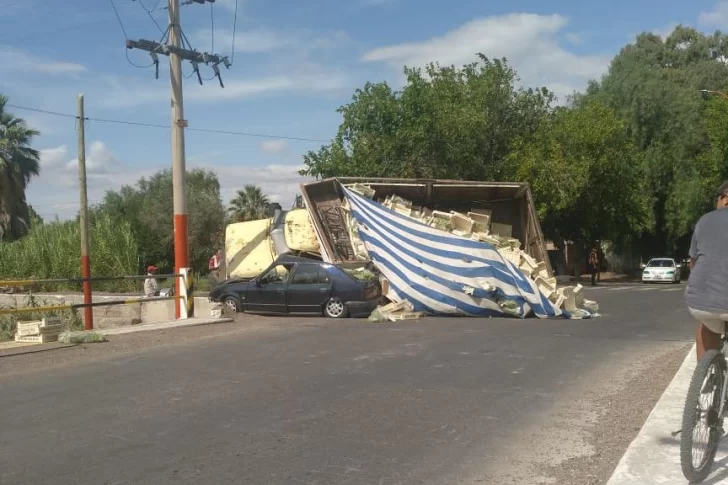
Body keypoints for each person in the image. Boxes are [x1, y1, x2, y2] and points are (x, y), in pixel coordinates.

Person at [686, 181, 728, 362]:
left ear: (724, 197)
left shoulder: (704, 220)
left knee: (706, 326)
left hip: (698, 303)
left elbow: (693, 264)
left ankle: (704, 381)